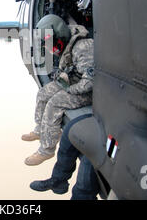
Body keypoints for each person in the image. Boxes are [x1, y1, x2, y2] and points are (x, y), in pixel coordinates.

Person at [22, 14, 94, 166]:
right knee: (43, 94)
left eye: (48, 44)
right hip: (73, 81)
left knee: (54, 103)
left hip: (88, 91)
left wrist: (69, 89)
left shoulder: (83, 47)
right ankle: (40, 129)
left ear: (58, 37)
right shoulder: (67, 42)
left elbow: (90, 83)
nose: (48, 48)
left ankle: (46, 150)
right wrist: (60, 76)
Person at [29, 117, 100, 200]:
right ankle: (58, 180)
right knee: (70, 129)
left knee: (89, 158)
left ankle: (81, 196)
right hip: (104, 117)